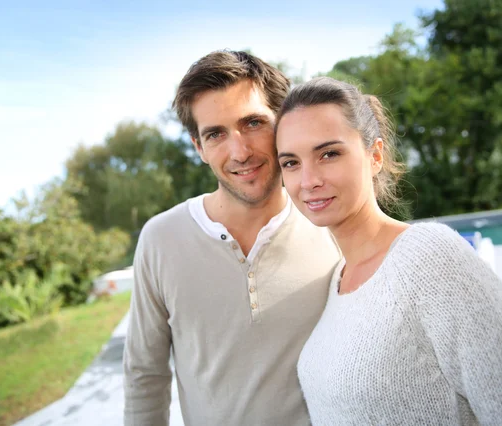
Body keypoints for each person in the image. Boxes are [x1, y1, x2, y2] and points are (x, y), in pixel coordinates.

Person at [275, 76, 502, 425]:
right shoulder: (336, 280)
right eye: (291, 163)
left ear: (374, 155)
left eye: (329, 154)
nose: (308, 180)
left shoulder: (430, 257)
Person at [123, 51, 340, 426]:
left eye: (253, 122)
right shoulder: (160, 240)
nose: (240, 152)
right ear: (198, 147)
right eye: (216, 134)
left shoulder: (330, 228)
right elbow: (145, 375)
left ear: (282, 124)